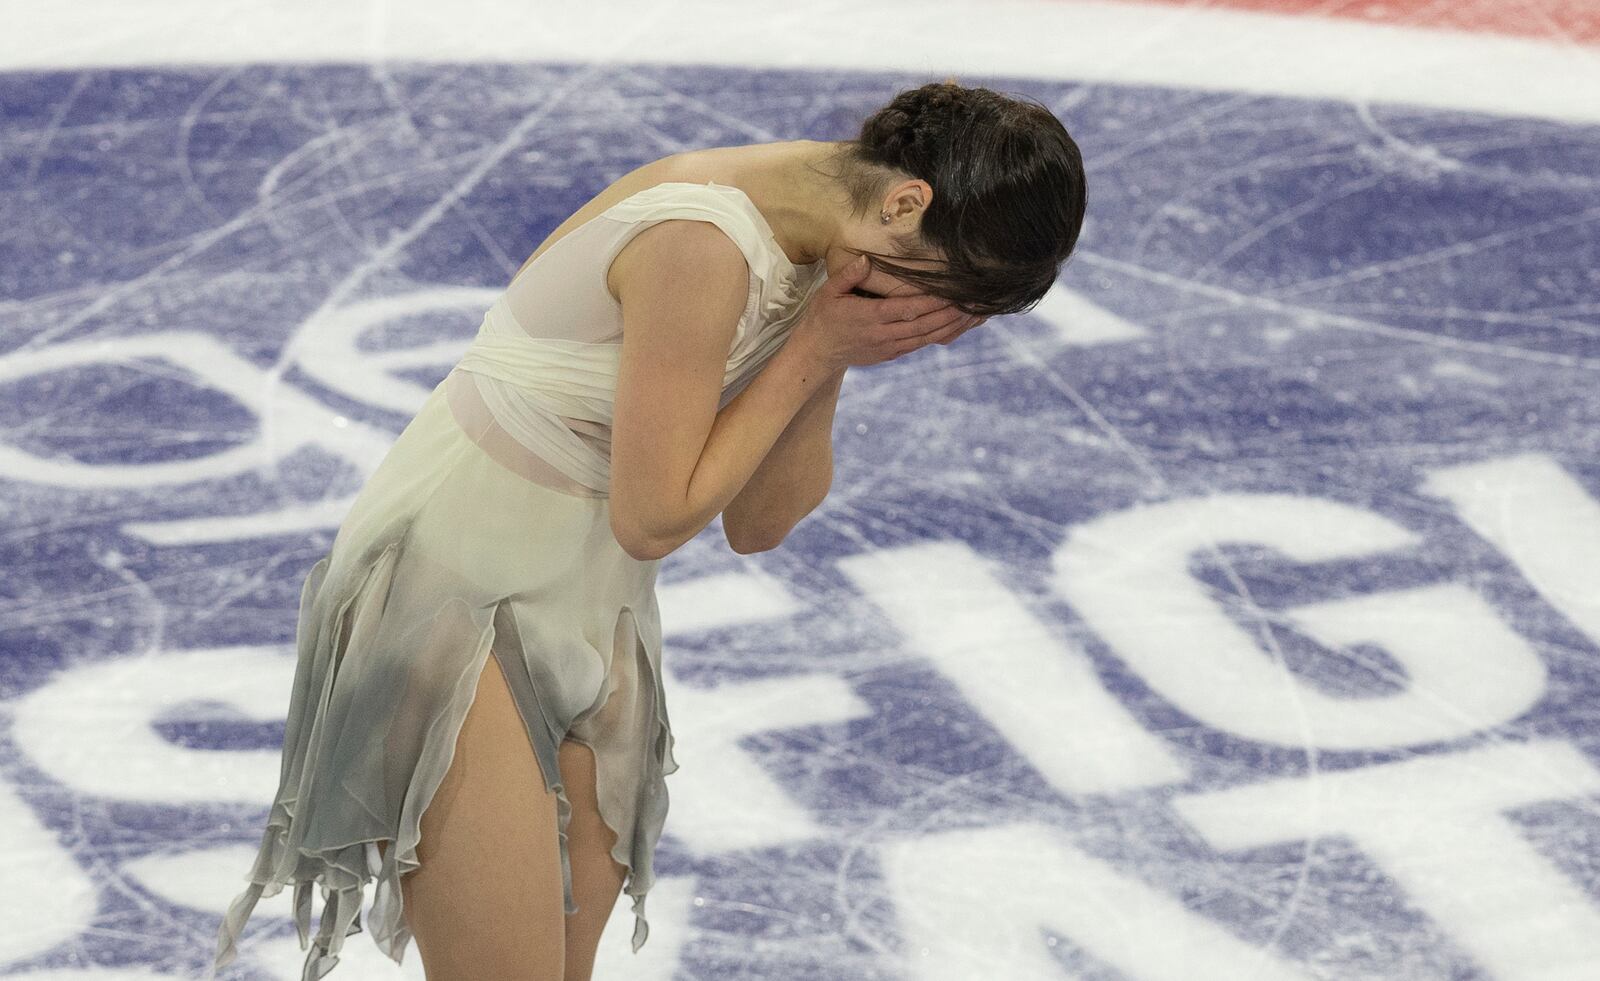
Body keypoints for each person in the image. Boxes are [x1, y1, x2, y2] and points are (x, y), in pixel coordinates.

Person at [207, 79, 1086, 981]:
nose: (930, 333)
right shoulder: (699, 245)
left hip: (594, 609)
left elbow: (761, 519)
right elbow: (654, 515)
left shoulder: (828, 245)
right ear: (906, 204)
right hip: (451, 597)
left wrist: (825, 350)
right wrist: (818, 347)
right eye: (938, 298)